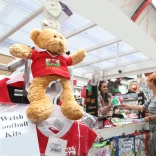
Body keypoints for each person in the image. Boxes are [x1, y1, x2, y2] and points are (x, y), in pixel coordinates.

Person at [120, 73, 156, 156]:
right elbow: (143, 107)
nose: (147, 83)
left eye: (148, 81)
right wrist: (128, 106)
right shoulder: (153, 97)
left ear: (153, 82)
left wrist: (149, 118)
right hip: (153, 128)